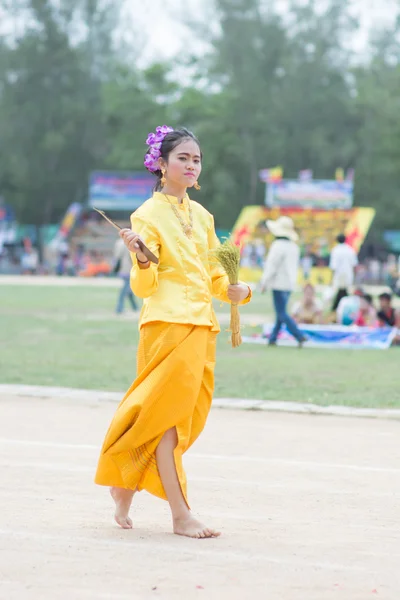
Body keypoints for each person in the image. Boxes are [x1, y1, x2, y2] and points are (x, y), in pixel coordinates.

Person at [95, 125, 251, 539]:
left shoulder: (202, 216)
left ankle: (124, 481)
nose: (190, 164)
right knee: (165, 420)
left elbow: (213, 273)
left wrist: (237, 289)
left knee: (185, 419)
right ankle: (180, 513)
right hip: (166, 325)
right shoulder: (147, 214)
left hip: (203, 325)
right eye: (182, 157)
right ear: (161, 166)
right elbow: (145, 285)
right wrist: (143, 261)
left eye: (196, 159)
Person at [260, 216, 306, 346]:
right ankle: (273, 338)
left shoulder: (277, 246)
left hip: (278, 284)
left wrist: (264, 282)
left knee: (281, 313)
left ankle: (299, 335)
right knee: (281, 313)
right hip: (289, 284)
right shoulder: (294, 247)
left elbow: (271, 266)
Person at [329, 234, 358, 311]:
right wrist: (354, 277)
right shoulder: (350, 249)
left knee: (339, 294)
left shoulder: (335, 250)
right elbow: (354, 265)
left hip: (338, 276)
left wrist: (331, 279)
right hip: (348, 276)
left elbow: (333, 267)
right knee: (346, 294)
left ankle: (336, 310)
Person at [114, 237, 138, 314]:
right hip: (130, 268)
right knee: (126, 288)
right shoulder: (132, 241)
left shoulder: (119, 242)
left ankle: (135, 307)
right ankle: (119, 308)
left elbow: (117, 256)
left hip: (123, 268)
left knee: (128, 287)